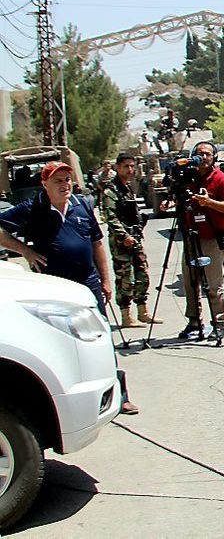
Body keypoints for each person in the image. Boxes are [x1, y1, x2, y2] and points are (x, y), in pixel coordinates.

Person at [0, 161, 139, 415]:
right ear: (44, 184)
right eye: (58, 181)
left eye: (67, 180)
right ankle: (69, 400)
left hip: (87, 283)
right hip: (54, 287)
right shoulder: (31, 208)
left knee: (102, 337)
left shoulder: (82, 204)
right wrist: (26, 251)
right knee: (59, 341)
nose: (65, 185)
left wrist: (106, 280)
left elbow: (97, 243)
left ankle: (120, 394)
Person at [161, 141, 224, 340]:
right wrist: (169, 201)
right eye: (200, 153)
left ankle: (219, 323)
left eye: (208, 154)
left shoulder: (220, 178)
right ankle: (194, 321)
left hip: (211, 236)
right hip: (190, 234)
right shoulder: (188, 176)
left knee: (214, 283)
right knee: (190, 281)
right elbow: (177, 194)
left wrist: (209, 203)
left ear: (214, 157)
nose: (203, 157)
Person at [102, 153, 162, 329]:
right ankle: (126, 316)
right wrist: (124, 236)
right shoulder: (111, 190)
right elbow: (110, 217)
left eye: (131, 166)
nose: (130, 170)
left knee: (142, 274)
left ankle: (142, 312)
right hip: (122, 242)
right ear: (117, 167)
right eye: (126, 166)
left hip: (134, 238)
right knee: (125, 278)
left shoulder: (127, 187)